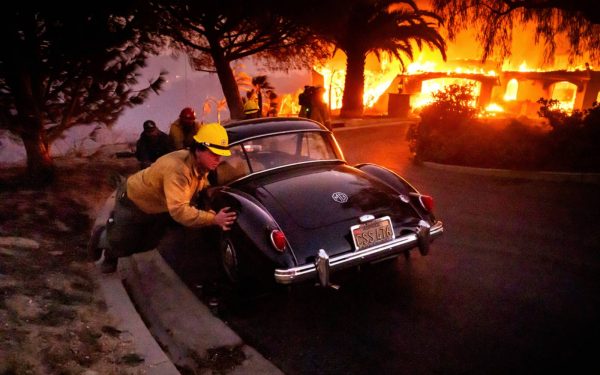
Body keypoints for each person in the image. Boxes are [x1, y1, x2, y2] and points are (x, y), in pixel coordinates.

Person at [100, 123, 237, 273]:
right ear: (198, 149)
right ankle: (103, 241)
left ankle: (115, 234)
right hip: (133, 200)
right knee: (122, 242)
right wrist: (213, 219)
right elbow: (179, 211)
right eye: (213, 153)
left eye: (221, 154)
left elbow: (199, 182)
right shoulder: (178, 170)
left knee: (148, 243)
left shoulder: (199, 163)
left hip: (157, 205)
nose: (218, 159)